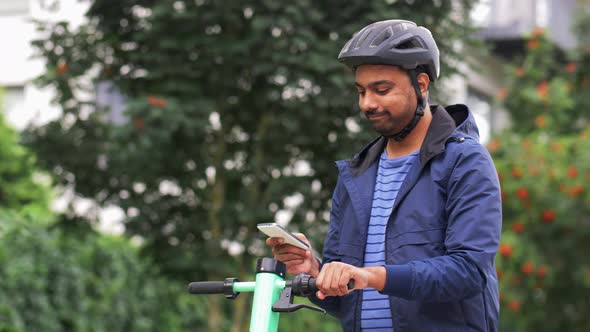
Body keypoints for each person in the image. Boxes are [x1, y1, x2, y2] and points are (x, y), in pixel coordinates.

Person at [267, 19, 501, 331]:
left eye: (382, 89)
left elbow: (469, 271)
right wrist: (313, 270)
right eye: (361, 91)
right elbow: (343, 300)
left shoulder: (465, 161)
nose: (367, 103)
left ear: (421, 84)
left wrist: (372, 275)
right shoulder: (356, 174)